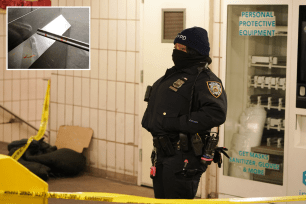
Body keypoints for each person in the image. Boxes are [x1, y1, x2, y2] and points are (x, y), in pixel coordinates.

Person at [141, 26, 227, 199]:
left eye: (182, 48)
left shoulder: (205, 79)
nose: (176, 52)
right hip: (162, 153)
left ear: (195, 51)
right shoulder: (174, 74)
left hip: (182, 156)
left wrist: (175, 123)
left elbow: (216, 113)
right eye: (175, 48)